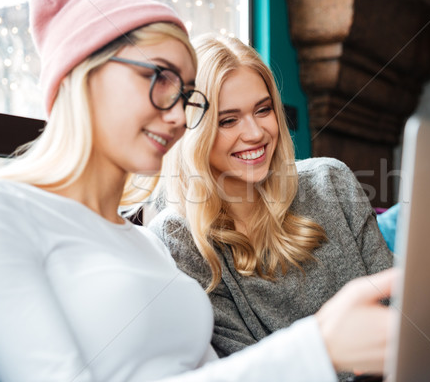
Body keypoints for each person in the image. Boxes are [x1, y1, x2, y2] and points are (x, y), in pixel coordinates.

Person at [0, 0, 395, 382]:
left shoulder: (143, 244)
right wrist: (316, 348)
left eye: (187, 96)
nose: (178, 115)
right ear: (84, 77)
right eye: (160, 79)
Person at [149, 35, 394, 380]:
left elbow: (399, 308)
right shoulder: (179, 239)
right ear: (194, 132)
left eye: (263, 110)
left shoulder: (332, 180)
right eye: (228, 120)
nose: (255, 133)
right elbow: (252, 370)